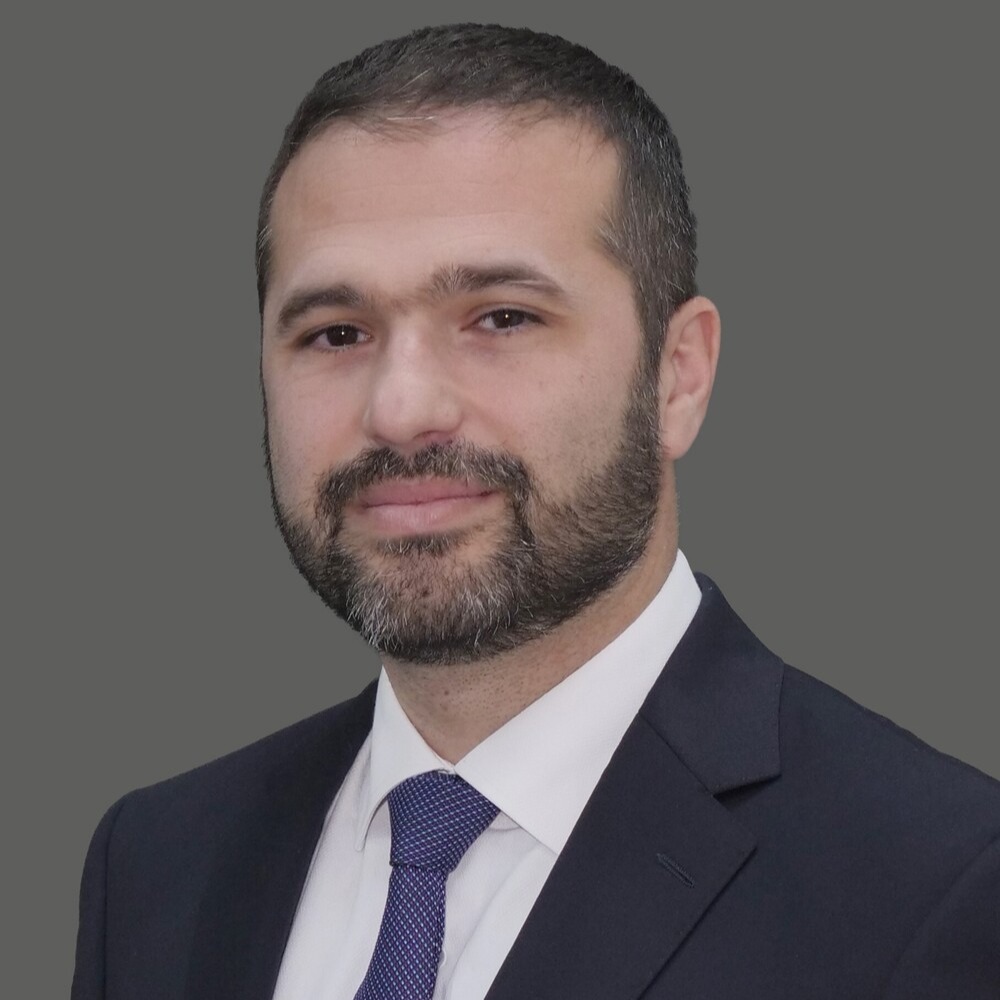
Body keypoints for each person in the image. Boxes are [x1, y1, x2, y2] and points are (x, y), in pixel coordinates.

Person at [71, 23, 1000, 1000]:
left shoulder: (939, 887)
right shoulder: (156, 863)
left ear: (678, 376)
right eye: (336, 333)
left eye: (502, 317)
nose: (401, 407)